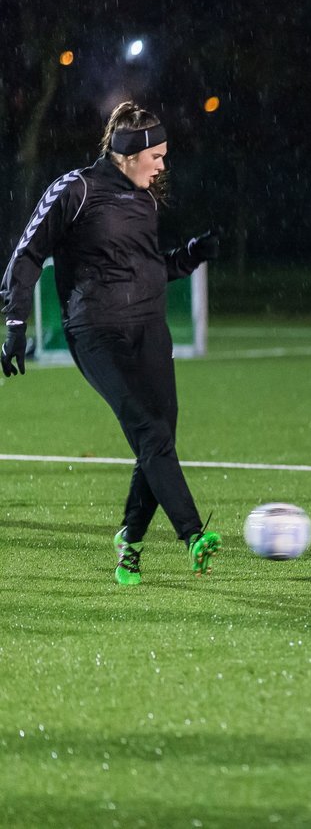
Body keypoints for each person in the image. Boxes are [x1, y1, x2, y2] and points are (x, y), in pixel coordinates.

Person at [1, 101, 222, 585]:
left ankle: (130, 543)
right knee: (150, 431)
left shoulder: (145, 199)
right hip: (95, 333)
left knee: (159, 435)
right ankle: (192, 534)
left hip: (149, 330)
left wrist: (186, 257)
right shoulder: (74, 189)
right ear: (131, 152)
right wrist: (15, 323)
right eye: (157, 155)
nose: (163, 165)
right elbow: (27, 254)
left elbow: (147, 269)